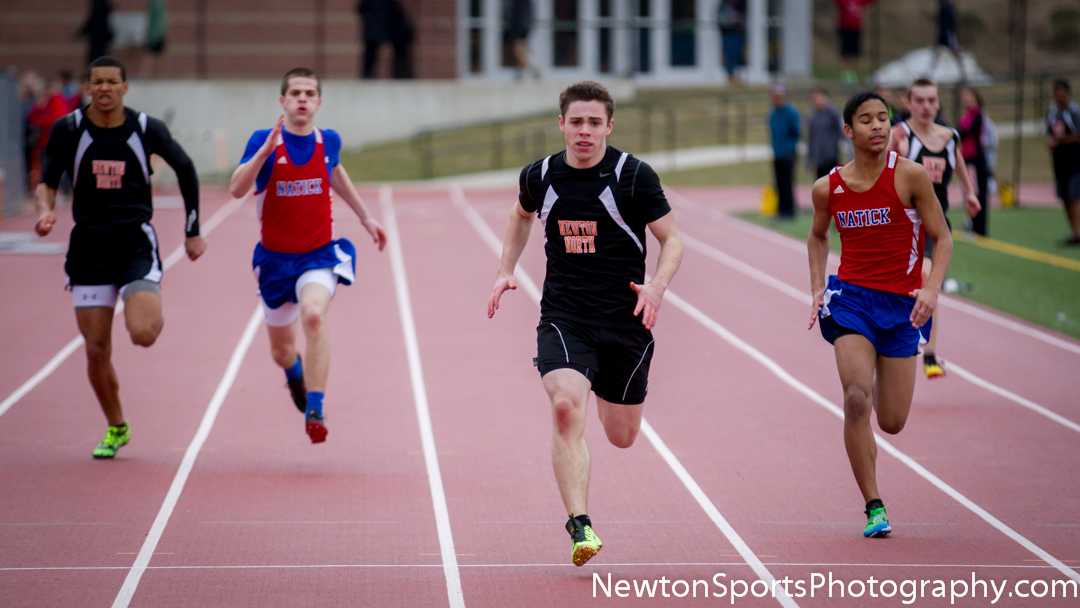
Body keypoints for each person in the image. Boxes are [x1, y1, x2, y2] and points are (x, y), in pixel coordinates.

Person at [487, 81, 683, 566]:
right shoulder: (541, 176)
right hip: (564, 317)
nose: (584, 131)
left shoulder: (633, 176)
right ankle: (580, 526)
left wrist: (656, 286)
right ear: (561, 124)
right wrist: (505, 269)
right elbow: (520, 215)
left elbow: (673, 240)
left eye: (594, 122)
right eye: (576, 121)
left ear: (609, 126)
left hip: (624, 322)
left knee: (621, 434)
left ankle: (608, 396)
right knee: (564, 408)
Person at [33, 56, 205, 459]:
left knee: (143, 333)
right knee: (96, 350)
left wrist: (192, 230)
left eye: (113, 81)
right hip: (89, 249)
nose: (105, 88)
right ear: (88, 88)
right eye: (98, 82)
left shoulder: (146, 130)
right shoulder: (69, 129)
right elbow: (46, 182)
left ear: (125, 87)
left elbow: (186, 169)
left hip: (134, 243)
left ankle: (147, 298)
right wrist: (45, 211)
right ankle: (116, 426)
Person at [809, 91, 953, 538]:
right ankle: (874, 505)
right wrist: (817, 285)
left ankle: (874, 373)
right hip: (851, 300)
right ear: (848, 130)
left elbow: (942, 238)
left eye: (883, 119)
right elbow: (817, 238)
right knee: (855, 400)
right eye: (866, 119)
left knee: (891, 421)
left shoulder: (909, 176)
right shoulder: (827, 187)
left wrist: (931, 289)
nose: (877, 126)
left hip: (901, 307)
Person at [230, 68, 387, 443]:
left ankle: (315, 408)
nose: (302, 98)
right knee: (282, 352)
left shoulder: (327, 141)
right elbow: (237, 189)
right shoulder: (263, 141)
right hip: (274, 262)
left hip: (318, 255)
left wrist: (366, 217)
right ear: (282, 101)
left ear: (319, 102)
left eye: (309, 92)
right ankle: (295, 375)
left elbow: (335, 173)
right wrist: (261, 156)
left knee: (314, 317)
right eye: (295, 92)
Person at [887, 78, 980, 379]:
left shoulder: (950, 137)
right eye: (920, 101)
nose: (926, 106)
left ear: (938, 103)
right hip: (903, 224)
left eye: (931, 100)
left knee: (929, 278)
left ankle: (929, 353)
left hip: (936, 223)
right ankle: (893, 341)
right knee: (901, 284)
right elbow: (878, 168)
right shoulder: (901, 136)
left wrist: (969, 193)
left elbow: (960, 162)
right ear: (909, 103)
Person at [1046, 79, 1080, 245]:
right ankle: (1074, 232)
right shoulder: (1053, 113)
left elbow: (1078, 135)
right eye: (1057, 92)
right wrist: (1051, 142)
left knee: (1075, 196)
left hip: (1074, 162)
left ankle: (1078, 231)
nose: (1060, 95)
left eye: (1062, 92)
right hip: (1059, 163)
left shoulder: (1074, 112)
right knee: (1065, 197)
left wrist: (1060, 140)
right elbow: (1049, 135)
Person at [958, 87, 990, 236]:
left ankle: (980, 228)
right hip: (966, 159)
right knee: (969, 193)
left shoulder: (978, 114)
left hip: (977, 159)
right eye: (964, 97)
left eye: (969, 97)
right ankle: (972, 223)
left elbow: (966, 132)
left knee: (979, 194)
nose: (966, 100)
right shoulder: (964, 115)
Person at [769, 84, 801, 219]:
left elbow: (797, 131)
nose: (777, 99)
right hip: (777, 153)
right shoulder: (772, 114)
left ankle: (790, 211)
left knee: (788, 182)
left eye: (780, 97)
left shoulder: (791, 112)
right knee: (778, 183)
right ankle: (780, 210)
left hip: (788, 153)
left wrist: (790, 147)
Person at [807, 88, 845, 179]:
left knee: (832, 181)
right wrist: (810, 157)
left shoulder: (833, 113)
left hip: (831, 154)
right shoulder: (812, 116)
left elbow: (841, 130)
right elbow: (811, 137)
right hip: (819, 156)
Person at [835, 0, 874, 85]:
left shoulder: (859, 1)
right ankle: (845, 74)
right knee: (846, 53)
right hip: (845, 28)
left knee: (855, 53)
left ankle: (852, 74)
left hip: (856, 28)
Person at [927, 0, 966, 82]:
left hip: (949, 33)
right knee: (937, 53)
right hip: (943, 33)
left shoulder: (948, 7)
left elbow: (952, 21)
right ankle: (930, 73)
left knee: (956, 53)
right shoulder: (942, 6)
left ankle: (963, 73)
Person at [505, 0, 540, 80]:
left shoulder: (521, 2)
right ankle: (520, 73)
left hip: (519, 27)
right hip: (522, 26)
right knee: (522, 49)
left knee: (518, 49)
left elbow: (520, 14)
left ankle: (533, 67)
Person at [357, 0, 391, 79]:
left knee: (373, 53)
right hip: (373, 30)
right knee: (370, 53)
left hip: (375, 30)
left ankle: (370, 73)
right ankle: (368, 73)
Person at [717, 0, 746, 83]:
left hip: (737, 33)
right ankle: (730, 76)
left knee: (738, 55)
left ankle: (737, 75)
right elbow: (722, 21)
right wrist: (733, 19)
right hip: (729, 34)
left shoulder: (738, 5)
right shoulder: (723, 6)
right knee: (730, 54)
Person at [77, 0, 113, 66]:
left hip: (99, 40)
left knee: (97, 57)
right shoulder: (101, 13)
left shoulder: (100, 13)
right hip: (98, 39)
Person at [140, 0, 168, 79]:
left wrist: (154, 35)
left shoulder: (157, 4)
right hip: (155, 34)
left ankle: (146, 74)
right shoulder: (155, 4)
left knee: (152, 54)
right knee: (156, 55)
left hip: (156, 35)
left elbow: (158, 21)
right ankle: (160, 75)